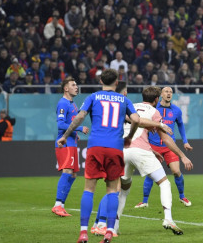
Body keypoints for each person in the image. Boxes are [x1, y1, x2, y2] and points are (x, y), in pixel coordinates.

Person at [57, 69, 172, 243]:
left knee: (89, 189)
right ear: (117, 83)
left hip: (95, 146)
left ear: (101, 80)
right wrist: (129, 138)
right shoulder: (124, 100)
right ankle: (110, 230)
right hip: (115, 147)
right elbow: (136, 120)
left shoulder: (93, 97)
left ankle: (83, 232)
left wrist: (65, 136)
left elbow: (80, 117)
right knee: (112, 190)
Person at [115, 85, 193, 236]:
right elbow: (166, 139)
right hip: (140, 151)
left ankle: (114, 227)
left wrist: (153, 150)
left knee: (123, 190)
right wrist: (182, 156)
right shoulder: (155, 112)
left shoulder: (131, 106)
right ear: (157, 99)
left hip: (123, 150)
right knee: (164, 183)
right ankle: (168, 219)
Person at [135, 86, 194, 208]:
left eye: (171, 92)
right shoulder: (152, 109)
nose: (169, 94)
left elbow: (181, 126)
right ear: (160, 95)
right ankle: (145, 201)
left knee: (176, 171)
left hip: (169, 146)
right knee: (151, 174)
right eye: (166, 91)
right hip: (153, 145)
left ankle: (182, 196)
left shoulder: (176, 110)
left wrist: (185, 141)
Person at [51, 77, 89, 217]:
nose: (76, 87)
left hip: (72, 142)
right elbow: (60, 124)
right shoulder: (63, 103)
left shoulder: (72, 104)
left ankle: (61, 205)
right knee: (67, 171)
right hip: (64, 143)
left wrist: (74, 133)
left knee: (73, 174)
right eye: (73, 85)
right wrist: (78, 129)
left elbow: (69, 123)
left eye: (76, 84)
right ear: (66, 88)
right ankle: (57, 205)